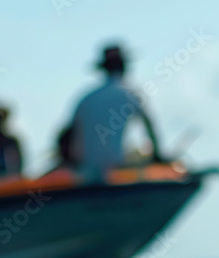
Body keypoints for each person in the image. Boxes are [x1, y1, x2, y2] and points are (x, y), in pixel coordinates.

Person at [69, 44, 162, 183]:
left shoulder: (85, 100)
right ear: (124, 67)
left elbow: (71, 137)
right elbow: (150, 129)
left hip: (85, 175)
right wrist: (158, 157)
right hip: (117, 174)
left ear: (103, 69)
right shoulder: (131, 95)